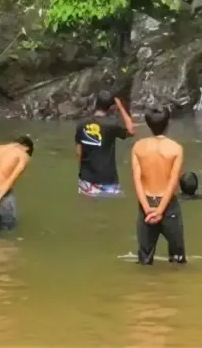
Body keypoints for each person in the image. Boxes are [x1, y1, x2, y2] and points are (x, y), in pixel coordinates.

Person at [131, 107, 186, 265]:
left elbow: (137, 179)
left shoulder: (138, 147)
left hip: (146, 203)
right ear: (167, 123)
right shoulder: (176, 148)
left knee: (144, 259)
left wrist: (147, 208)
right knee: (177, 258)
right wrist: (160, 210)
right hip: (168, 205)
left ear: (148, 124)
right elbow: (173, 181)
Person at [75, 92, 136, 196]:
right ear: (111, 107)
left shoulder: (82, 124)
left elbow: (78, 153)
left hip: (86, 180)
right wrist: (121, 107)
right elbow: (131, 130)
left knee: (89, 209)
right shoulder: (112, 125)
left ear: (95, 103)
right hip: (107, 180)